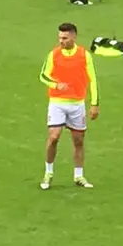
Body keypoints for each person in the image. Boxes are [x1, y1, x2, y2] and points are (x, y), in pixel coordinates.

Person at [39, 23, 99, 190]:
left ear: (74, 37)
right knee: (54, 137)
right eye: (59, 38)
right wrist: (56, 85)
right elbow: (43, 75)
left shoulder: (84, 55)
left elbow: (92, 79)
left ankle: (78, 175)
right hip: (57, 103)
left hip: (77, 104)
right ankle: (48, 173)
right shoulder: (54, 54)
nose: (61, 41)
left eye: (64, 38)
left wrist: (94, 103)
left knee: (78, 140)